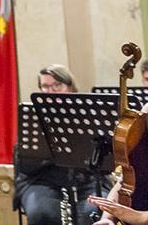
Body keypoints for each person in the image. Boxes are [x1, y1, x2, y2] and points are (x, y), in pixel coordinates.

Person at [14, 64, 110, 224]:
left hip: (87, 181)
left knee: (93, 213)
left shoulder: (89, 114)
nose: (51, 91)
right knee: (42, 213)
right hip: (42, 181)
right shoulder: (32, 117)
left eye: (57, 85)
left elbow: (106, 165)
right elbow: (25, 165)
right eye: (45, 86)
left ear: (70, 87)